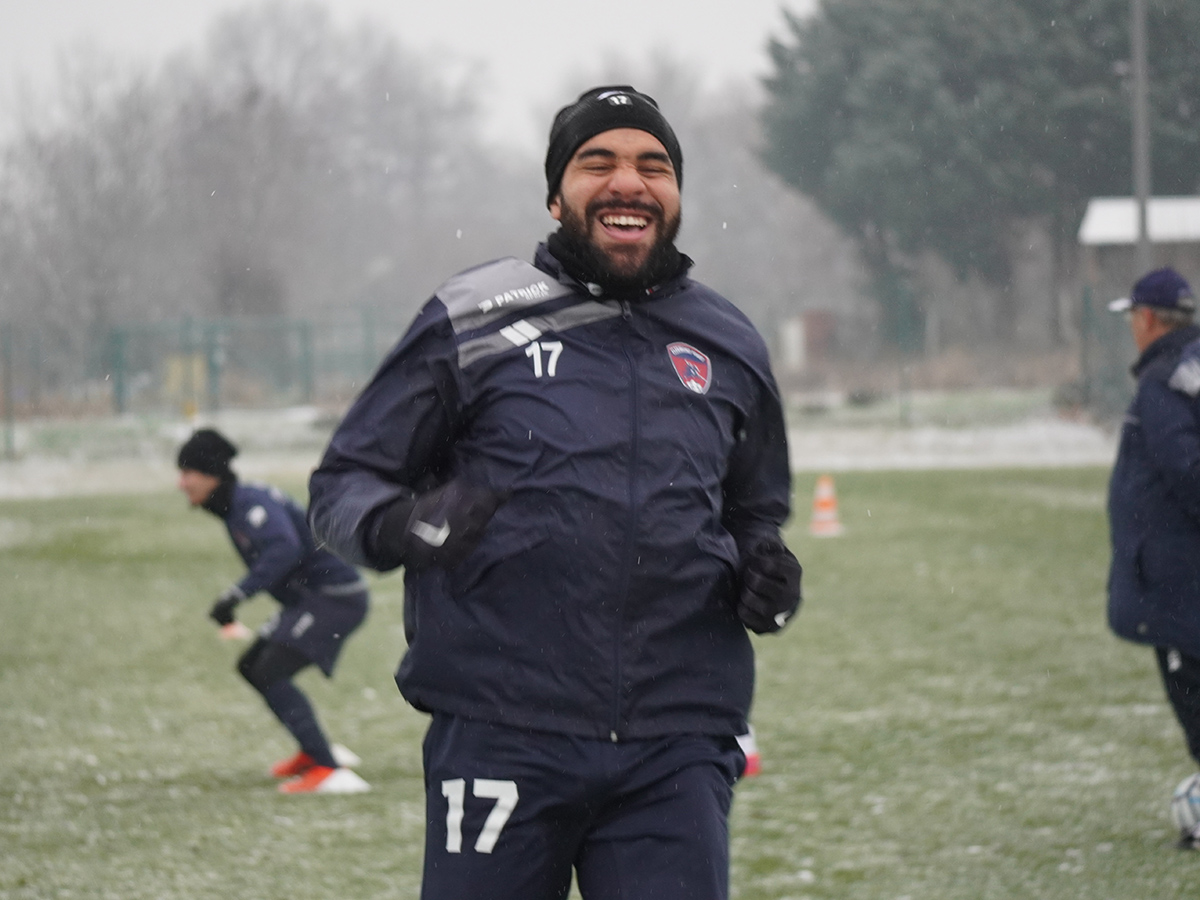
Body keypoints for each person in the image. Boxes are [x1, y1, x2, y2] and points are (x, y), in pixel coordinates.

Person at [308, 85, 802, 898]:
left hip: (676, 738)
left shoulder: (730, 340)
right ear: (555, 194)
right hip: (502, 729)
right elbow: (343, 482)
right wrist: (400, 527)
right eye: (596, 162)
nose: (628, 182)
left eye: (653, 165)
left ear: (675, 196)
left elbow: (753, 511)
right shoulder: (474, 318)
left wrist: (768, 575)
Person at [177, 427, 371, 795]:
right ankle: (315, 753)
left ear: (211, 475)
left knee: (270, 671)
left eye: (187, 473)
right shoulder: (237, 504)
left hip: (334, 598)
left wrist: (236, 595)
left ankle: (329, 769)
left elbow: (285, 549)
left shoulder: (249, 504)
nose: (180, 483)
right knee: (252, 666)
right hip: (314, 599)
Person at [1106, 266, 1200, 848]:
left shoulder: (1166, 382)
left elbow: (1187, 471)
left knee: (1192, 692)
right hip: (1179, 575)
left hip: (1178, 581)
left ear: (1146, 320)